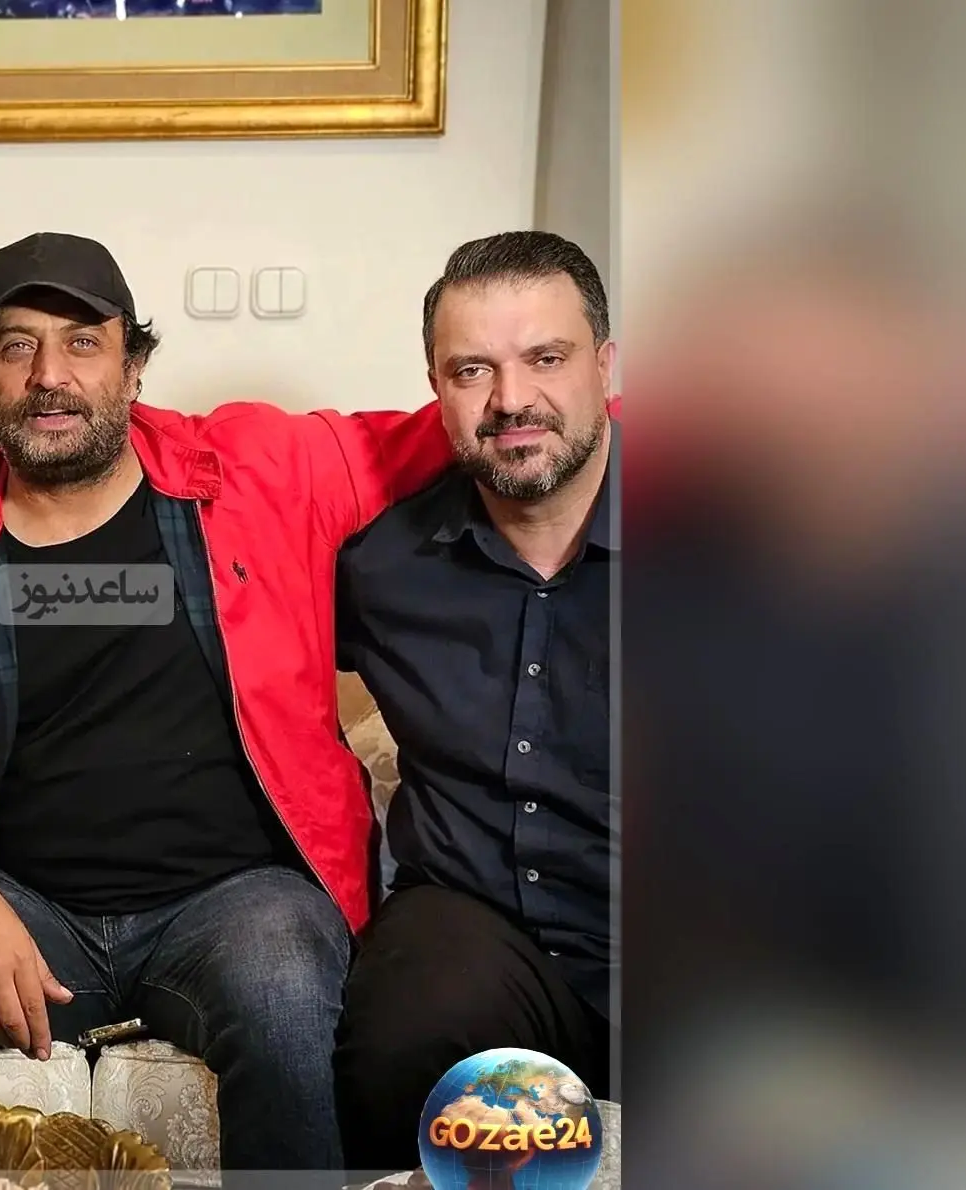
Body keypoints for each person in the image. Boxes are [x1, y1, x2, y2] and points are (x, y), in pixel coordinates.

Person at [0, 232, 457, 1175]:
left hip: (234, 900)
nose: (49, 375)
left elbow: (473, 423)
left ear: (132, 365)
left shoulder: (260, 467)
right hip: (24, 905)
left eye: (82, 342)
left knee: (280, 977)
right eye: (15, 346)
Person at [332, 231, 618, 1172]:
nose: (510, 400)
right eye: (471, 370)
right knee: (401, 1035)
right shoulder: (382, 567)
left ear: (604, 365)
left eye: (545, 358)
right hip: (475, 921)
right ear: (435, 388)